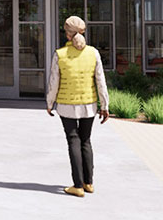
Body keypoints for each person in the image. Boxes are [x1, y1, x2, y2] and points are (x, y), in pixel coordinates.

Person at [46, 16, 109, 198]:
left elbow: (53, 83)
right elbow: (100, 82)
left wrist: (50, 103)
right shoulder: (94, 53)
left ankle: (77, 185)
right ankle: (89, 183)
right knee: (86, 141)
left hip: (66, 105)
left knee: (73, 141)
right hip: (89, 106)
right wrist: (104, 105)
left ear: (68, 34)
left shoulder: (60, 54)